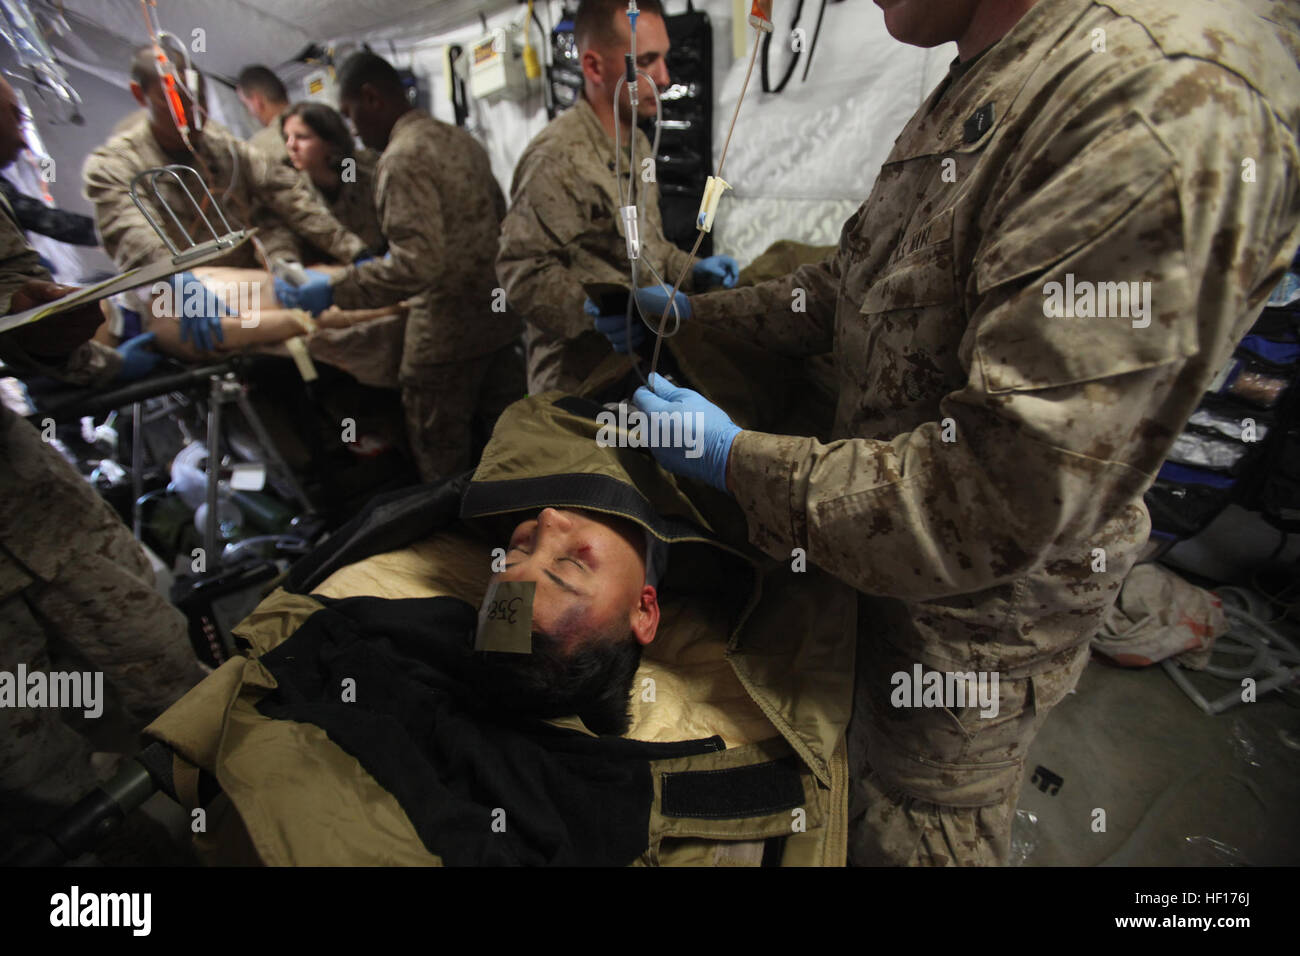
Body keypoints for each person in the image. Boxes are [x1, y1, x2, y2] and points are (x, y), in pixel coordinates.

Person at [594, 0, 1300, 864]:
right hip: (880, 572)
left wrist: (737, 462)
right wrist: (701, 319)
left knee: (910, 832)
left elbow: (998, 496)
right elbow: (852, 285)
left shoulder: (1149, 99)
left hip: (963, 633)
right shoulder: (995, 60)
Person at [0, 73, 205, 852]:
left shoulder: (200, 151)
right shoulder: (116, 165)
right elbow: (130, 241)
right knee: (36, 770)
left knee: (161, 663)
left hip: (34, 509)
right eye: (14, 117)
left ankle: (215, 815)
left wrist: (54, 328)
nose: (25, 134)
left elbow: (25, 298)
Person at [275, 52, 523, 482]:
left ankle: (458, 542)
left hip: (445, 334)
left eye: (351, 113)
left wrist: (336, 289)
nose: (353, 128)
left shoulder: (401, 158)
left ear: (372, 98)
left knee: (442, 455)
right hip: (497, 320)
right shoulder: (459, 140)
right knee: (513, 444)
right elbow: (498, 221)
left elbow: (416, 267)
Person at [496, 0, 738, 395]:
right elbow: (519, 268)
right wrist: (589, 312)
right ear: (594, 67)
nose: (664, 78)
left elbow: (649, 247)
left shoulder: (638, 141)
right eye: (647, 61)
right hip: (577, 380)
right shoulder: (558, 157)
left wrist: (693, 269)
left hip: (636, 366)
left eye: (666, 58)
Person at [83, 39, 371, 352]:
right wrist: (175, 279)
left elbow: (288, 196)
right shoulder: (117, 164)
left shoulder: (226, 150)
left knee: (339, 295)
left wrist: (352, 252)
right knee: (189, 327)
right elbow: (130, 230)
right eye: (178, 103)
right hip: (180, 293)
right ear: (140, 96)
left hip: (245, 282)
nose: (194, 116)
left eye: (200, 101)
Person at [280, 101, 385, 258]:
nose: (291, 146)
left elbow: (357, 203)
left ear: (329, 141)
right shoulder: (291, 186)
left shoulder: (352, 167)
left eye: (302, 137)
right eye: (287, 137)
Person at [236, 65, 291, 163]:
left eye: (246, 105)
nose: (250, 113)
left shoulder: (258, 148)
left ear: (257, 102)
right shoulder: (319, 115)